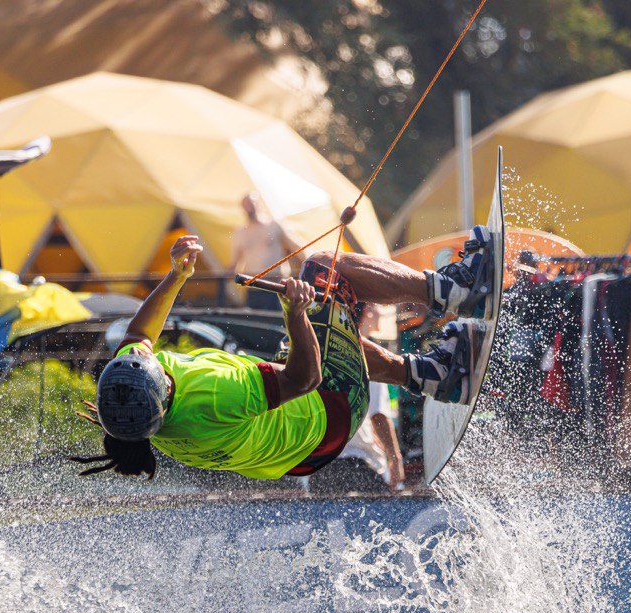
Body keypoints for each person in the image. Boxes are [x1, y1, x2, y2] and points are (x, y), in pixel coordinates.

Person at [72, 226, 495, 481]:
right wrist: (296, 313)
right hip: (328, 414)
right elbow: (304, 379)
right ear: (164, 391)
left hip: (300, 453)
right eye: (158, 373)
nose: (149, 356)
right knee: (324, 269)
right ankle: (455, 290)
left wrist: (177, 275)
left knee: (325, 338)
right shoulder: (215, 395)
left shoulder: (134, 403)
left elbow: (138, 332)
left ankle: (435, 374)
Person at [309, 305, 405, 493]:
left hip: (319, 465)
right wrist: (394, 457)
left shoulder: (321, 353)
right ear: (366, 312)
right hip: (357, 463)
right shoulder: (368, 357)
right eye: (377, 306)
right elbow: (378, 416)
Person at [228, 194, 300, 310]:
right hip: (253, 287)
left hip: (275, 285)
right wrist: (227, 287)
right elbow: (234, 263)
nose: (249, 208)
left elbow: (298, 248)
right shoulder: (240, 232)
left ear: (259, 204)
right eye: (246, 205)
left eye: (251, 204)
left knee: (275, 320)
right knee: (257, 322)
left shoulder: (274, 226)